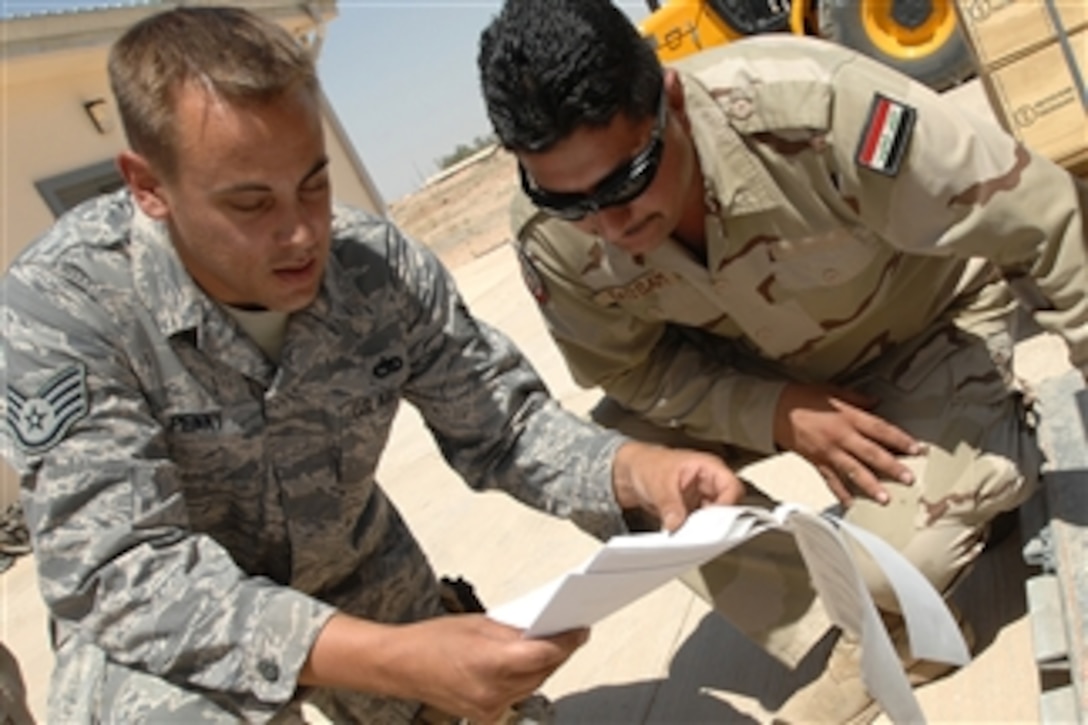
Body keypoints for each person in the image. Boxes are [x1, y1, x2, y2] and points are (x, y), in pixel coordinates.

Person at [0, 6, 748, 723]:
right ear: (148, 187)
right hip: (164, 634)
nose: (301, 233)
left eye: (314, 182)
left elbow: (504, 425)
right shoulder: (63, 312)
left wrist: (634, 469)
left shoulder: (372, 267)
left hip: (349, 565)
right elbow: (128, 570)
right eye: (251, 203)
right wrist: (394, 659)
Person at [477, 0, 1088, 721]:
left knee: (904, 564)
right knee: (605, 474)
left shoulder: (813, 108)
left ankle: (985, 443)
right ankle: (870, 628)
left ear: (668, 100)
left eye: (624, 179)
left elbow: (1043, 218)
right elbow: (632, 371)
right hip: (767, 373)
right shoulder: (552, 231)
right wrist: (774, 412)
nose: (608, 225)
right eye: (566, 198)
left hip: (927, 333)